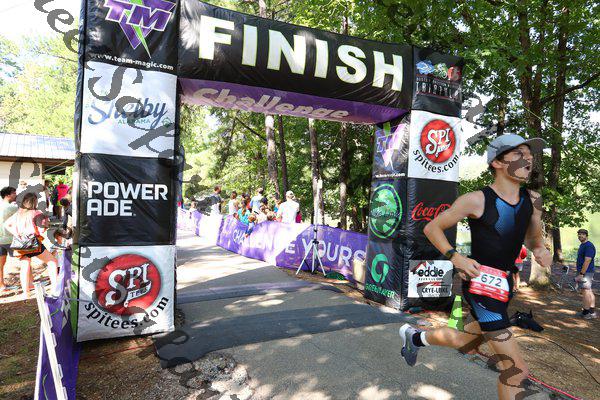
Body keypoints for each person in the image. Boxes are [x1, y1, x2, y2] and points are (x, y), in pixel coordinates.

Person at [399, 134, 552, 400]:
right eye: (519, 154)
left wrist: (540, 250)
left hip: (505, 286)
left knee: (465, 341)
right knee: (515, 371)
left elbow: (533, 239)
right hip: (481, 286)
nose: (528, 159)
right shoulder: (476, 200)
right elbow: (432, 228)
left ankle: (415, 338)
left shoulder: (533, 199)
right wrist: (455, 257)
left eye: (529, 155)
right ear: (497, 162)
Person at [4, 192, 59, 299]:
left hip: (20, 243)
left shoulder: (18, 213)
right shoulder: (36, 213)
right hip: (33, 242)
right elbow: (42, 230)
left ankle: (26, 293)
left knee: (25, 267)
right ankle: (55, 287)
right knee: (52, 262)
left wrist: (16, 233)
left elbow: (6, 224)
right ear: (35, 202)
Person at [575, 229, 596, 319]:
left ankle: (586, 313)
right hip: (585, 272)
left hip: (586, 272)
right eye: (579, 234)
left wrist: (581, 274)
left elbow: (587, 260)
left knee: (585, 291)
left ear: (586, 236)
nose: (580, 236)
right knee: (588, 290)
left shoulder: (589, 246)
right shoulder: (582, 245)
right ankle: (592, 312)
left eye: (582, 234)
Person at [0, 187, 18, 292]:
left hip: (1, 239)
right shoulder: (12, 207)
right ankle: (29, 284)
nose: (15, 195)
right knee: (26, 260)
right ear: (7, 195)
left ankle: (1, 285)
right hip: (10, 239)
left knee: (0, 265)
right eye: (13, 193)